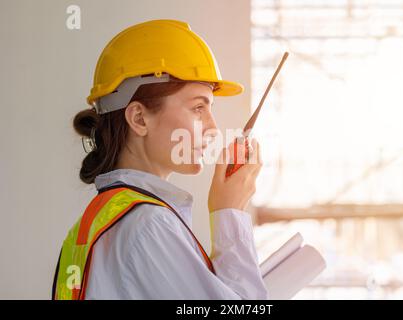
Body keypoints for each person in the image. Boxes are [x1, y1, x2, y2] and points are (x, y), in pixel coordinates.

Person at [52, 19, 267, 300]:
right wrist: (229, 213)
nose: (213, 127)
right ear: (139, 118)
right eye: (198, 107)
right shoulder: (148, 225)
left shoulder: (98, 221)